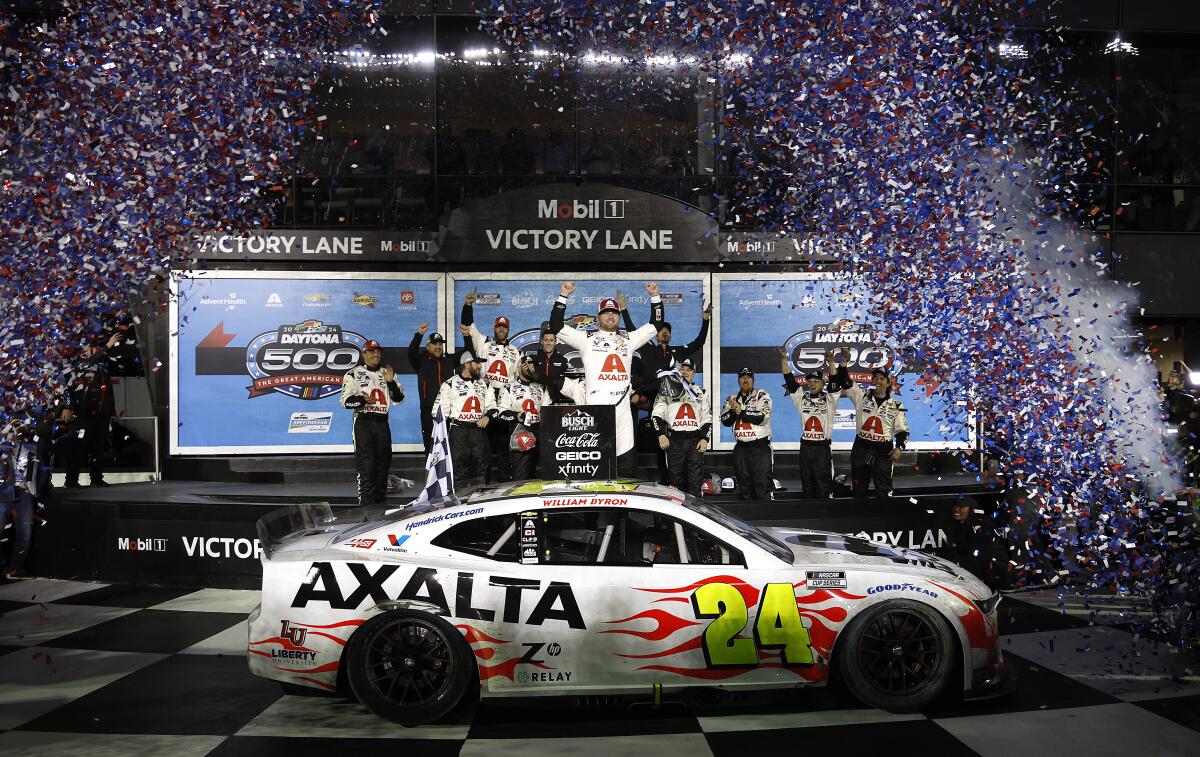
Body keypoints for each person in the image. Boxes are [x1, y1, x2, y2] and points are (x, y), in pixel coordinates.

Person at [548, 281, 664, 478]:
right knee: (597, 466)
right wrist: (563, 296)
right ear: (598, 317)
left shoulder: (628, 339)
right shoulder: (586, 339)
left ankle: (622, 508)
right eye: (606, 312)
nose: (611, 315)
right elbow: (556, 326)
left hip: (623, 410)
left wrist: (655, 297)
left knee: (626, 467)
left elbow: (656, 325)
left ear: (619, 317)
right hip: (596, 408)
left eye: (614, 312)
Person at [633, 304, 711, 484]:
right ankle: (666, 482)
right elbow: (631, 332)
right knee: (661, 447)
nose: (664, 333)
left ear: (671, 335)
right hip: (656, 400)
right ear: (655, 334)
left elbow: (699, 342)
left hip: (675, 402)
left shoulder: (678, 351)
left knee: (675, 446)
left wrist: (705, 321)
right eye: (661, 331)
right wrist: (624, 311)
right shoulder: (648, 350)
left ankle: (681, 486)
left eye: (668, 331)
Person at [461, 291, 520, 481]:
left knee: (504, 445)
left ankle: (504, 484)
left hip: (504, 400)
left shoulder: (515, 351)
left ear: (508, 330)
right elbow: (469, 327)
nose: (501, 329)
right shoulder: (484, 343)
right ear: (494, 328)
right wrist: (467, 306)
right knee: (481, 445)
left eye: (504, 327)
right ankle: (480, 484)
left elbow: (518, 376)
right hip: (485, 397)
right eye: (499, 327)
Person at [340, 339, 404, 507]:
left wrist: (390, 382)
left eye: (378, 351)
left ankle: (380, 506)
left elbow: (399, 400)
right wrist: (361, 400)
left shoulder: (388, 372)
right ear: (364, 354)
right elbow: (345, 402)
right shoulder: (353, 373)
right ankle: (366, 509)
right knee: (366, 468)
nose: (376, 354)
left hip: (383, 424)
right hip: (364, 423)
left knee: (383, 468)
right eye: (372, 351)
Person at [782, 348, 852, 498]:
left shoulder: (830, 399)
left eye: (816, 381)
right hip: (806, 447)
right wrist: (783, 359)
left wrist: (831, 362)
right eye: (810, 381)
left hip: (822, 449)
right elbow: (789, 379)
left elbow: (834, 381)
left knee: (823, 485)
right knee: (806, 483)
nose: (812, 384)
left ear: (822, 383)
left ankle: (826, 514)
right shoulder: (801, 399)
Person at [843, 363, 909, 498]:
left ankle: (885, 517)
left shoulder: (896, 405)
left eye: (881, 379)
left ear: (889, 383)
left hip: (883, 451)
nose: (877, 381)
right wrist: (843, 363)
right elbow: (846, 382)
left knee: (884, 491)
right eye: (875, 378)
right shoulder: (861, 397)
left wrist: (899, 448)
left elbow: (903, 431)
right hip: (861, 448)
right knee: (858, 489)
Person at [434, 350, 496, 489]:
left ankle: (481, 502)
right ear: (467, 364)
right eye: (477, 363)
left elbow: (493, 407)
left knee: (482, 468)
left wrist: (488, 416)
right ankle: (460, 504)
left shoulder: (485, 384)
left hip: (479, 431)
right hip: (458, 432)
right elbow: (438, 414)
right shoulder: (449, 384)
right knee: (459, 469)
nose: (480, 366)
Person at [66, 331, 120, 487]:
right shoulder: (77, 367)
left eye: (94, 348)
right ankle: (71, 481)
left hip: (101, 416)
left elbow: (108, 393)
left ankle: (96, 478)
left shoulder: (102, 371)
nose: (94, 350)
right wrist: (108, 346)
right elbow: (66, 390)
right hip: (83, 416)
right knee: (78, 448)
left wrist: (112, 413)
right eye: (90, 348)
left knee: (97, 449)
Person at [652, 358, 711, 496]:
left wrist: (705, 439)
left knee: (695, 483)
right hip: (674, 443)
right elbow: (656, 415)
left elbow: (707, 418)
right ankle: (675, 517)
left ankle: (694, 517)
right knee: (675, 483)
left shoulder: (701, 392)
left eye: (689, 369)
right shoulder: (666, 390)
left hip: (695, 442)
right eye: (682, 369)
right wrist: (660, 433)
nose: (685, 372)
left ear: (694, 373)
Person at [720, 367, 774, 499]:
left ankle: (765, 516)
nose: (745, 380)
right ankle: (749, 519)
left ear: (753, 381)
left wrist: (741, 412)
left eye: (748, 377)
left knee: (762, 485)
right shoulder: (731, 399)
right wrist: (733, 411)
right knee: (744, 487)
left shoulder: (762, 395)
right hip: (740, 449)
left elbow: (762, 417)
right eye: (742, 377)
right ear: (738, 380)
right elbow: (725, 421)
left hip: (759, 448)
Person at [408, 323, 458, 454]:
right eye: (435, 344)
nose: (438, 347)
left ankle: (448, 474)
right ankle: (430, 474)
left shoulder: (449, 360)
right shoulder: (420, 360)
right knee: (430, 445)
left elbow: (468, 353)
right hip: (428, 409)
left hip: (448, 409)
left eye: (440, 344)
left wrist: (467, 336)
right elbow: (411, 352)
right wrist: (419, 334)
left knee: (449, 446)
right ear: (428, 346)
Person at [497, 356, 548, 480]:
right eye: (527, 365)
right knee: (521, 476)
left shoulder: (540, 387)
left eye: (533, 365)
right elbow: (501, 413)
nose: (531, 367)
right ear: (519, 368)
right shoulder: (508, 387)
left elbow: (547, 408)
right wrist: (516, 415)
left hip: (540, 431)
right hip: (520, 431)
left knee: (541, 474)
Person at [936, 499, 995, 586]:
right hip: (963, 569)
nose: (956, 509)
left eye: (962, 507)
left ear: (971, 510)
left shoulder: (980, 527)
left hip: (978, 576)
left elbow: (979, 558)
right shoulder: (956, 525)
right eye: (955, 506)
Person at [534, 326, 572, 404]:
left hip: (556, 402)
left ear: (555, 342)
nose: (548, 343)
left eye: (551, 340)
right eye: (546, 340)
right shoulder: (533, 360)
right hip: (536, 400)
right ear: (542, 341)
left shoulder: (563, 361)